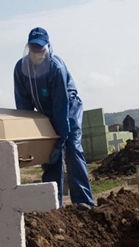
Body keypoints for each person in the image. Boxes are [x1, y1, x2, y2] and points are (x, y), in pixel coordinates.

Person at [13, 27, 94, 210]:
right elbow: (23, 104)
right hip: (44, 115)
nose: (36, 53)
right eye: (33, 49)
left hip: (68, 110)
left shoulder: (55, 68)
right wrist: (32, 133)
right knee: (50, 157)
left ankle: (83, 200)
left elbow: (60, 106)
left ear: (47, 47)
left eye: (40, 49)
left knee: (72, 149)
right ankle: (50, 204)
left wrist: (60, 140)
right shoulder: (21, 68)